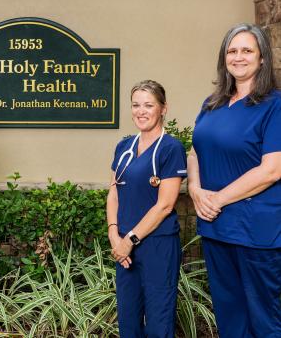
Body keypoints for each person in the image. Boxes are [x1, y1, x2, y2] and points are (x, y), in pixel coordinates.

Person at [188, 23, 281, 337]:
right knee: (229, 316)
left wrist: (217, 199)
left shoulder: (275, 106)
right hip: (216, 227)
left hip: (256, 232)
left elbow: (272, 169)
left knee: (265, 321)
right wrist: (195, 190)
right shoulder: (211, 104)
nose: (238, 57)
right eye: (232, 50)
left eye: (247, 50)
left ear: (262, 58)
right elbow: (195, 151)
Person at [107, 80, 187, 337]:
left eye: (148, 105)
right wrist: (114, 236)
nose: (141, 111)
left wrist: (130, 239)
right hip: (124, 248)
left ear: (163, 109)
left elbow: (165, 205)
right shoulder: (124, 147)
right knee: (128, 321)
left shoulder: (171, 149)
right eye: (136, 105)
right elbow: (113, 192)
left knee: (158, 321)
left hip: (157, 246)